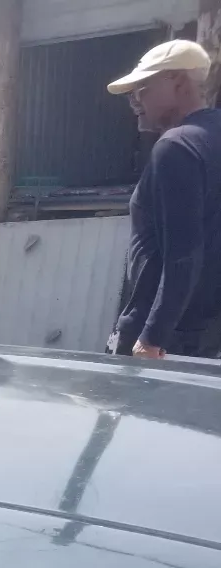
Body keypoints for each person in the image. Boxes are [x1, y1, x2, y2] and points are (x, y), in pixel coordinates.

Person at [107, 40, 221, 359]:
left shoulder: (176, 146)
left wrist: (151, 338)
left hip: (165, 336)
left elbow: (183, 254)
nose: (135, 102)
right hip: (207, 331)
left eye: (142, 89)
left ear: (179, 81)